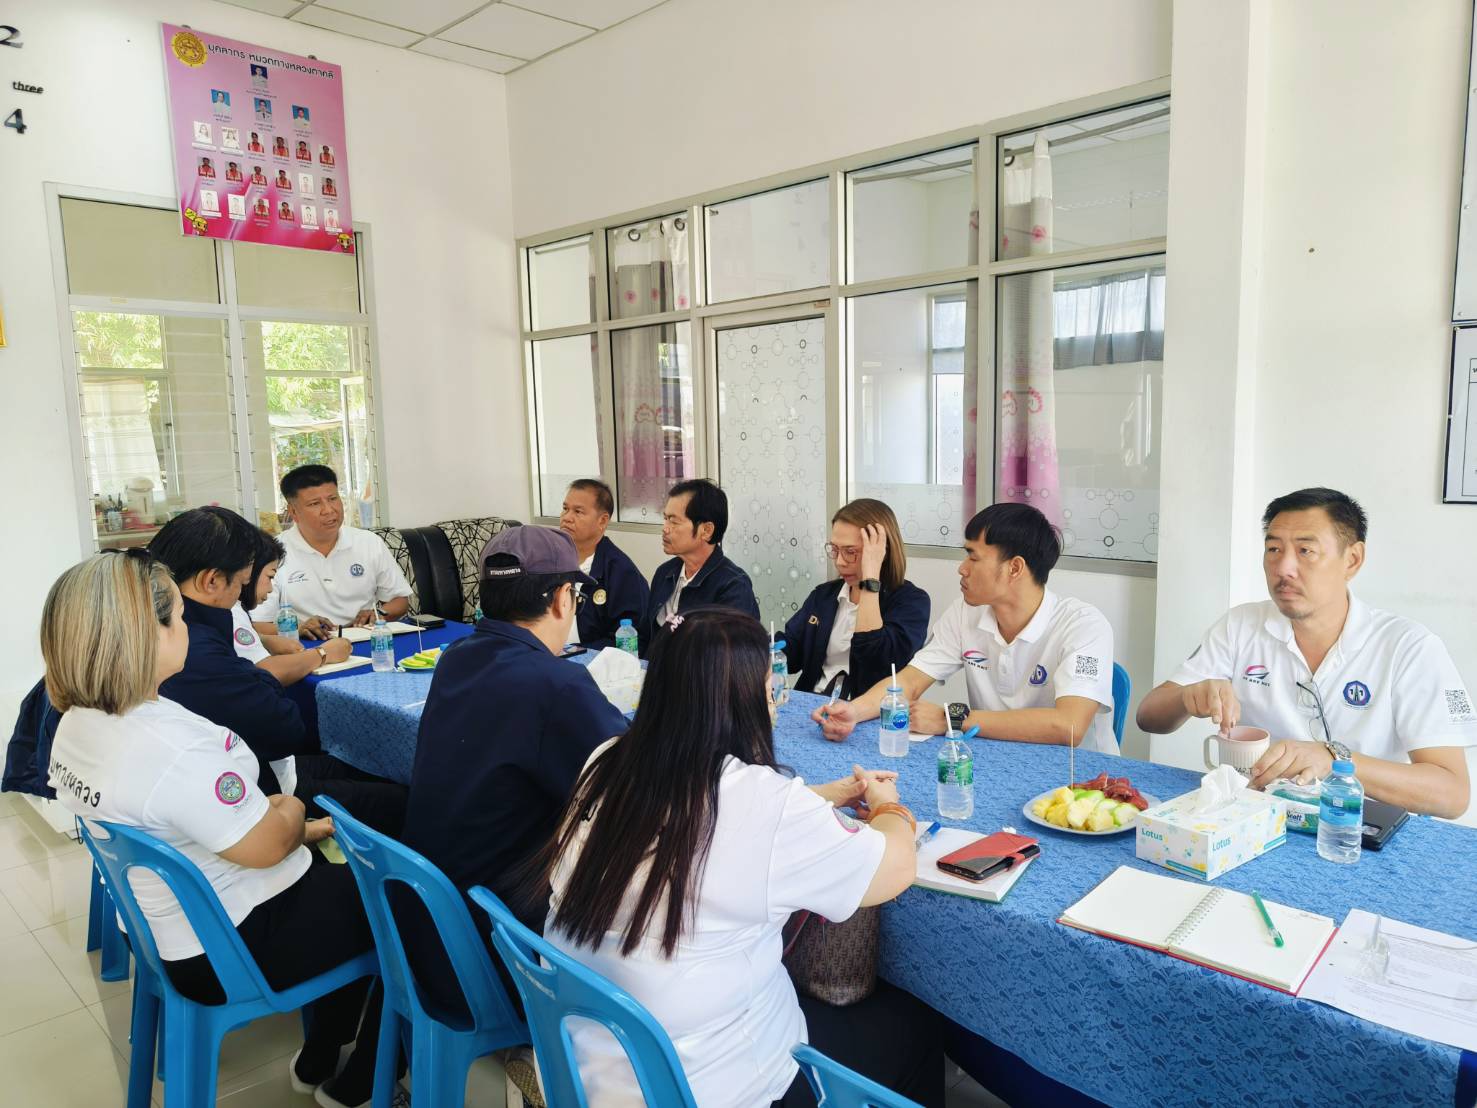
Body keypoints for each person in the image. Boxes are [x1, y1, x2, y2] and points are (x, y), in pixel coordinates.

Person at [542, 607, 941, 1107]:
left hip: (586, 1067)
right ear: (743, 700)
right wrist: (890, 809)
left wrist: (820, 797)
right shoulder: (763, 803)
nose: (773, 701)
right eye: (770, 688)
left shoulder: (605, 762)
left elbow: (701, 818)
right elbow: (894, 868)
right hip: (713, 1085)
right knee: (916, 1028)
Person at [39, 550, 386, 1105]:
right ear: (142, 636)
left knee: (342, 877)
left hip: (160, 930)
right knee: (402, 904)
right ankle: (360, 1078)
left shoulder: (76, 725)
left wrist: (287, 821)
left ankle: (324, 1051)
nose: (188, 631)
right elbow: (270, 843)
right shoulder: (174, 748)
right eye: (179, 619)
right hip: (230, 943)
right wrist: (288, 809)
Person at [399, 526, 629, 1017]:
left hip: (432, 919)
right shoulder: (557, 683)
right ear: (563, 599)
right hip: (497, 942)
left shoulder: (457, 656)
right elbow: (631, 783)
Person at [1137, 487, 1475, 817]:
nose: (1284, 567)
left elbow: (1452, 794)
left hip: (1354, 830)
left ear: (1352, 559)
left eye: (1305, 551)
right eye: (1273, 549)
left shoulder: (1408, 647)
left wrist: (1334, 760)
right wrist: (1187, 697)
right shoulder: (1241, 625)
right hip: (1253, 820)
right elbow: (1148, 717)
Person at [815, 503, 1117, 753]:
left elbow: (1069, 726)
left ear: (1014, 568)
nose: (962, 568)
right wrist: (854, 711)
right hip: (994, 756)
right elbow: (910, 681)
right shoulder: (965, 613)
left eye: (973, 556)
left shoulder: (1083, 625)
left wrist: (952, 718)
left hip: (1079, 779)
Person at [784, 498, 929, 699]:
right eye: (834, 550)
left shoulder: (911, 602)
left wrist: (870, 579)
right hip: (811, 702)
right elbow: (791, 651)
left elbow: (878, 662)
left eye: (850, 552)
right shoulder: (824, 595)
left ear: (881, 553)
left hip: (870, 709)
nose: (840, 562)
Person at [249, 465, 411, 637]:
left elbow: (399, 600)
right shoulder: (272, 552)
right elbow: (257, 623)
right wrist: (299, 627)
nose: (329, 510)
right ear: (293, 512)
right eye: (315, 503)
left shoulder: (369, 542)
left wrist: (378, 614)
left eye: (333, 499)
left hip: (365, 637)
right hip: (307, 644)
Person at [641, 478, 758, 656]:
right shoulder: (665, 573)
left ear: (706, 530)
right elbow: (645, 637)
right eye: (665, 519)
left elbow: (734, 657)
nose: (665, 528)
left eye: (674, 521)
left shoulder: (733, 586)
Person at [558, 478, 648, 649]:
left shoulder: (621, 571)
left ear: (602, 521)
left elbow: (630, 639)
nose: (567, 518)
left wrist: (575, 652)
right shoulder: (550, 560)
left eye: (578, 511)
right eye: (565, 509)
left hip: (591, 659)